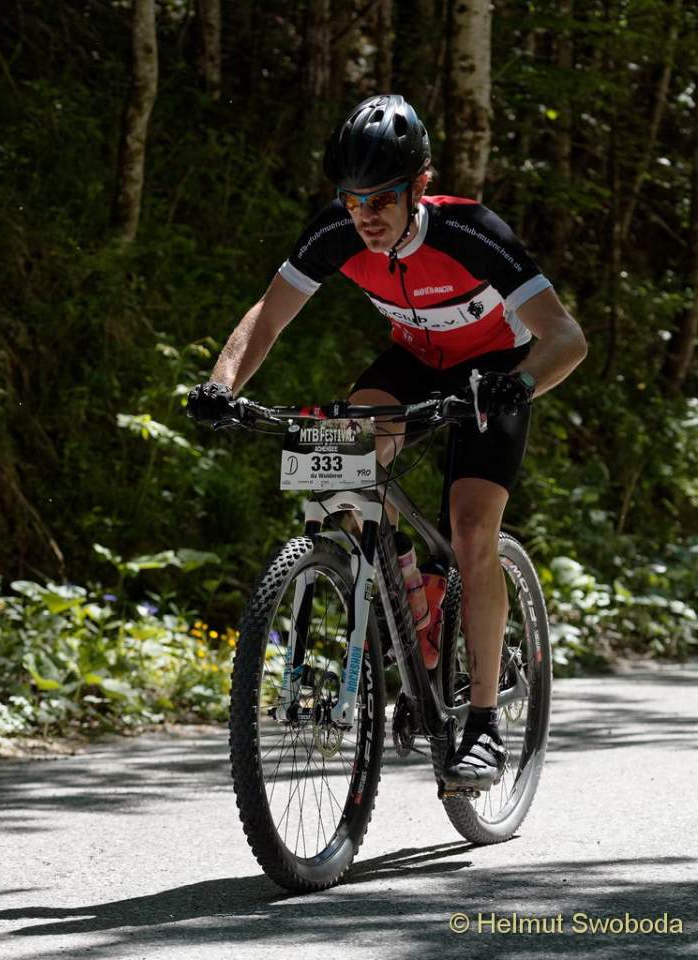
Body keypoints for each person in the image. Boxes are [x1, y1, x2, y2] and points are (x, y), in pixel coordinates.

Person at [187, 94, 587, 791]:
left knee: (471, 530)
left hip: (493, 371)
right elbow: (268, 317)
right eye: (352, 200)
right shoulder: (336, 233)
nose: (365, 216)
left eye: (380, 199)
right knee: (342, 466)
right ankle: (413, 602)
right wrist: (220, 385)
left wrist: (518, 385)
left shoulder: (472, 233)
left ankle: (484, 725)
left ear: (419, 187)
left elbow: (566, 338)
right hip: (414, 361)